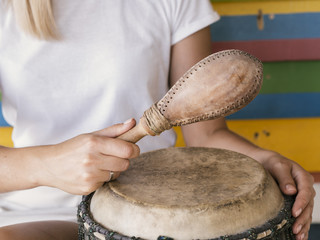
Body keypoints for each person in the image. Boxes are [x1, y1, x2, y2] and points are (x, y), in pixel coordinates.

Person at [0, 0, 315, 239]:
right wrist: (47, 164)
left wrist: (266, 159)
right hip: (39, 215)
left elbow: (204, 135)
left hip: (160, 221)